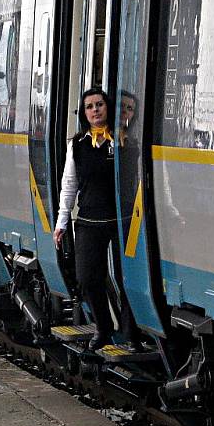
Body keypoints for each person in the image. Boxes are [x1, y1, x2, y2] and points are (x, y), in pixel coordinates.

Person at [53, 87, 133, 351]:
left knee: (126, 279)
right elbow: (69, 185)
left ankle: (132, 330)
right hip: (88, 220)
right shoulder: (77, 145)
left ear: (107, 108)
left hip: (121, 221)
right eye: (89, 106)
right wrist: (62, 222)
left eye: (99, 104)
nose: (95, 110)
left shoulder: (122, 141)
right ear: (84, 113)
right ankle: (103, 327)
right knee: (87, 278)